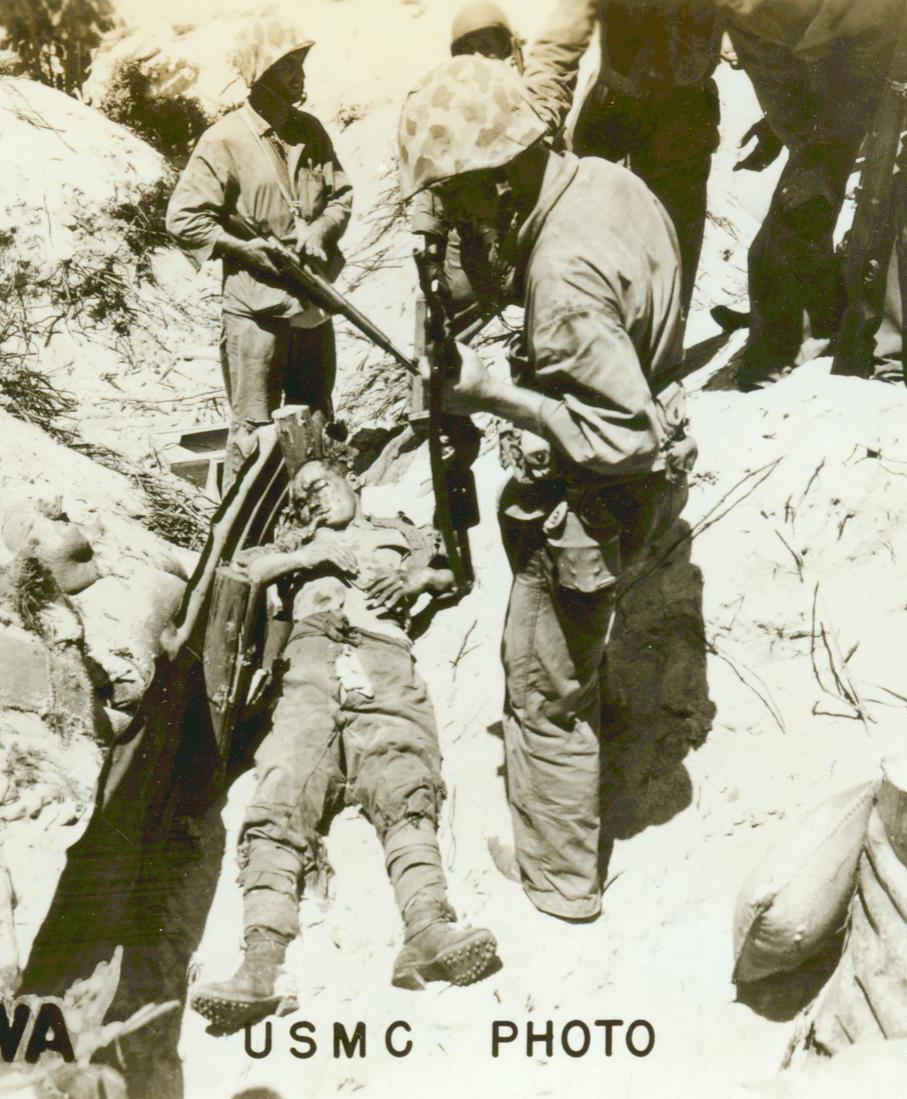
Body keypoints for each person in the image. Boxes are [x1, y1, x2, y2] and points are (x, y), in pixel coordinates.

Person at [397, 56, 696, 922]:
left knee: (542, 690)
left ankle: (560, 880)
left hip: (596, 503)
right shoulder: (603, 181)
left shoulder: (562, 277)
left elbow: (622, 436)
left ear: (497, 180)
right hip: (646, 467)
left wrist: (497, 393)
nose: (454, 219)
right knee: (568, 667)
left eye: (459, 198)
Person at [189, 459, 499, 1032]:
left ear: (351, 483)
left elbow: (454, 573)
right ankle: (260, 964)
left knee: (404, 778)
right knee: (282, 790)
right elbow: (242, 573)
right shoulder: (293, 544)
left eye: (321, 482)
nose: (312, 496)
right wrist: (309, 557)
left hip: (383, 656)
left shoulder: (396, 531)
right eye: (302, 493)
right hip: (309, 661)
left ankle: (428, 928)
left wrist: (414, 581)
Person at [720, 0, 907, 389]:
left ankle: (889, 350)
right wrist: (798, 129)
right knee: (814, 178)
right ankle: (797, 331)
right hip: (847, 48)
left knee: (899, 188)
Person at [166, 21, 352, 490]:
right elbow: (184, 220)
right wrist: (243, 250)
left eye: (299, 65)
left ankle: (313, 523)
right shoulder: (223, 139)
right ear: (260, 73)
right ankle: (245, 542)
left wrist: (320, 229)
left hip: (312, 304)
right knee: (253, 432)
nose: (298, 76)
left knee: (315, 420)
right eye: (285, 66)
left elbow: (342, 195)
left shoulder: (311, 131)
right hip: (255, 312)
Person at [524, 0, 724, 309]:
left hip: (684, 118)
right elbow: (558, 44)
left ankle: (663, 346)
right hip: (614, 113)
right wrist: (539, 116)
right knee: (583, 241)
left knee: (673, 252)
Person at [410, 1, 525, 319]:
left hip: (528, 228)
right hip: (476, 233)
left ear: (506, 49)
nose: (479, 59)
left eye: (487, 47)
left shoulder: (530, 97)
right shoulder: (452, 111)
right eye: (469, 50)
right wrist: (431, 249)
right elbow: (435, 180)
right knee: (448, 306)